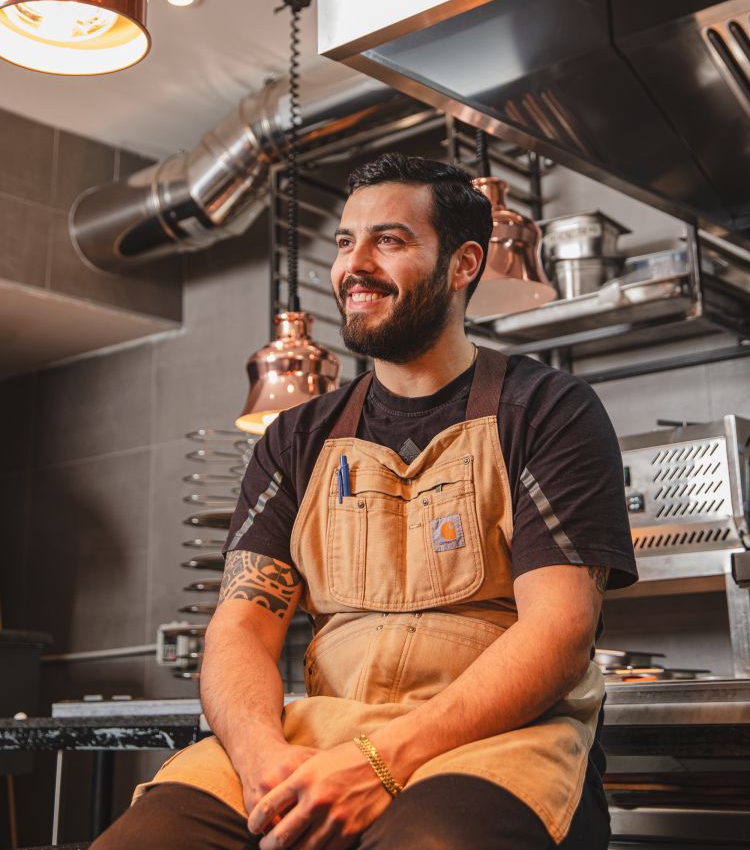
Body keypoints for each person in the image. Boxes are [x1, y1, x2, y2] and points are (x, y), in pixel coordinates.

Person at [93, 153, 637, 850]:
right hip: (321, 730)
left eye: (390, 240)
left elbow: (559, 633)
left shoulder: (549, 410)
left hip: (495, 742)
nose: (355, 264)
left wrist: (381, 761)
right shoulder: (295, 439)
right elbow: (241, 631)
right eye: (347, 242)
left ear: (464, 264)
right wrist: (260, 757)